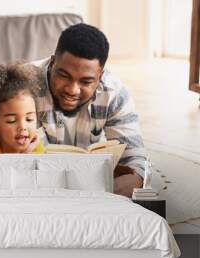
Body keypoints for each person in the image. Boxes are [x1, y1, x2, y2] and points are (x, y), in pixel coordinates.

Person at [32, 23, 146, 197]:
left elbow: (134, 154)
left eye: (85, 82)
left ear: (100, 75)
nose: (72, 90)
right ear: (52, 62)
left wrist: (136, 178)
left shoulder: (114, 94)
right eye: (64, 75)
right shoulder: (23, 85)